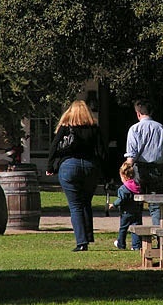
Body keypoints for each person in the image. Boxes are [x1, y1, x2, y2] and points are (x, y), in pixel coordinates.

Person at [46, 100, 107, 252]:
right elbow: (102, 152)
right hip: (90, 167)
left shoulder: (66, 127)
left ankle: (81, 242)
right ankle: (88, 235)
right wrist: (103, 171)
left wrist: (50, 167)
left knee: (75, 206)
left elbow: (54, 147)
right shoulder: (94, 128)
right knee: (86, 202)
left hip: (69, 166)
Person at [124, 99, 163, 226]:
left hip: (139, 168)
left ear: (138, 113)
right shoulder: (161, 128)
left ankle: (136, 242)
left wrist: (125, 173)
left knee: (136, 204)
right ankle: (159, 236)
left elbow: (131, 155)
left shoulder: (134, 129)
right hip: (157, 169)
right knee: (155, 205)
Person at [109, 161, 142, 251]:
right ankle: (136, 246)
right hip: (137, 211)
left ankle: (121, 243)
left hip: (126, 212)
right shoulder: (137, 186)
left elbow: (121, 199)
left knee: (123, 228)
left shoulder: (123, 189)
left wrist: (114, 205)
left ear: (123, 176)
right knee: (136, 228)